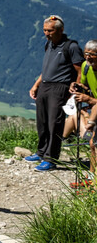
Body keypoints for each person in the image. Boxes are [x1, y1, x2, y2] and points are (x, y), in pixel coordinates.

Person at [26, 15, 83, 171]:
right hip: (45, 86)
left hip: (60, 87)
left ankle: (50, 159)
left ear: (61, 30)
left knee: (54, 123)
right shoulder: (49, 45)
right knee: (42, 122)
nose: (47, 33)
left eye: (50, 31)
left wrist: (75, 89)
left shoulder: (71, 47)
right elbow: (47, 69)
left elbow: (80, 70)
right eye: (45, 30)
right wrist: (36, 85)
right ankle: (41, 152)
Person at [63, 40, 97, 140]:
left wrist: (89, 100)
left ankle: (62, 140)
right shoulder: (86, 66)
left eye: (92, 54)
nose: (87, 57)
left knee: (74, 116)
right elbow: (85, 86)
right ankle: (63, 139)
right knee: (73, 116)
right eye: (86, 53)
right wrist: (77, 86)